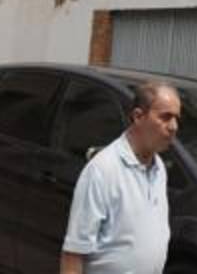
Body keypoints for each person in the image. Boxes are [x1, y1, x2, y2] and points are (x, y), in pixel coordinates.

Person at [60, 81, 182, 274]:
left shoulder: (159, 168)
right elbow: (73, 254)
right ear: (138, 117)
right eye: (165, 117)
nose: (174, 126)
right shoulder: (103, 170)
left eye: (176, 118)